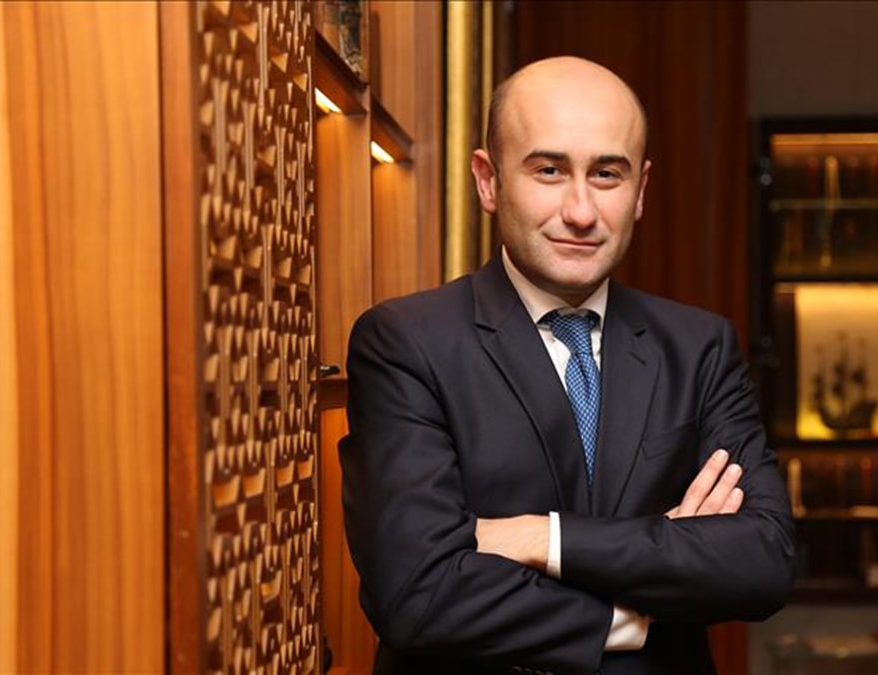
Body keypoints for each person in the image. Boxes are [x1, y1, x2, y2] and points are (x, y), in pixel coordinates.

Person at [339, 56, 795, 675]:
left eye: (607, 174)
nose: (581, 211)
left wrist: (537, 537)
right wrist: (636, 608)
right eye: (549, 171)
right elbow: (415, 593)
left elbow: (764, 561)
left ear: (641, 191)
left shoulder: (699, 348)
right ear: (488, 181)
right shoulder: (406, 342)